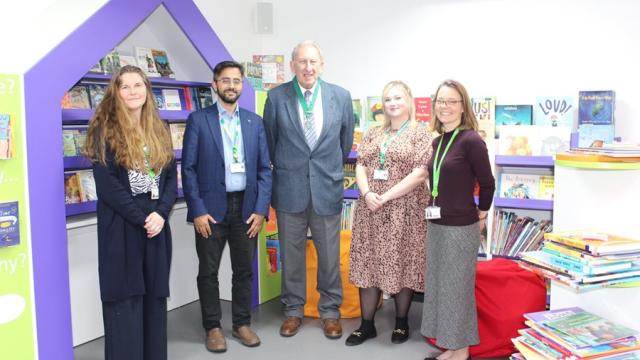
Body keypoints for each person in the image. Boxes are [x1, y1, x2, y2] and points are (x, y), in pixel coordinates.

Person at [263, 40, 355, 339]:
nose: (308, 67)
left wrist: (323, 170)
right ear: (293, 65)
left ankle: (330, 312)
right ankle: (293, 311)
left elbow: (344, 144)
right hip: (289, 188)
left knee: (329, 255)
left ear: (322, 64)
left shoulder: (340, 97)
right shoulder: (276, 98)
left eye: (313, 61)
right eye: (302, 62)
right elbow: (270, 143)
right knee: (291, 255)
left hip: (326, 187)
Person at [84, 65, 177, 360]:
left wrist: (161, 214)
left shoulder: (159, 129)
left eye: (139, 85)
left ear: (148, 90)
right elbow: (107, 186)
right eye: (126, 86)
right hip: (122, 228)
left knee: (154, 301)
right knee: (125, 305)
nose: (133, 91)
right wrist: (142, 218)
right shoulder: (104, 131)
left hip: (156, 227)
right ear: (116, 92)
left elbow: (170, 179)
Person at [181, 60, 272, 353]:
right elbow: (189, 169)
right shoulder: (199, 120)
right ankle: (213, 327)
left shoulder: (254, 122)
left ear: (242, 86)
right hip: (210, 210)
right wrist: (196, 210)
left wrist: (260, 210)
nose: (231, 86)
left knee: (243, 271)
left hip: (246, 208)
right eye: (225, 80)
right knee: (208, 272)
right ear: (215, 85)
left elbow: (264, 170)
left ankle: (242, 324)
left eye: (236, 81)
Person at [345, 81, 432, 346]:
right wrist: (368, 193)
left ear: (409, 100)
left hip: (404, 211)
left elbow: (421, 172)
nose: (392, 103)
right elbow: (360, 164)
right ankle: (367, 325)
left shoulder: (421, 133)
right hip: (370, 209)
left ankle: (402, 323)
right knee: (368, 263)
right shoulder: (373, 132)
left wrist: (387, 196)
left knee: (402, 262)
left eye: (398, 98)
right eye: (387, 99)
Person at [421, 79, 495, 360]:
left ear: (463, 107)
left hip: (461, 228)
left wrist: (482, 215)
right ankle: (454, 348)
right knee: (442, 289)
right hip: (437, 225)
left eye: (452, 101)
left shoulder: (472, 140)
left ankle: (460, 351)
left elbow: (487, 183)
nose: (445, 107)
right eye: (441, 101)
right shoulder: (437, 141)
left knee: (457, 291)